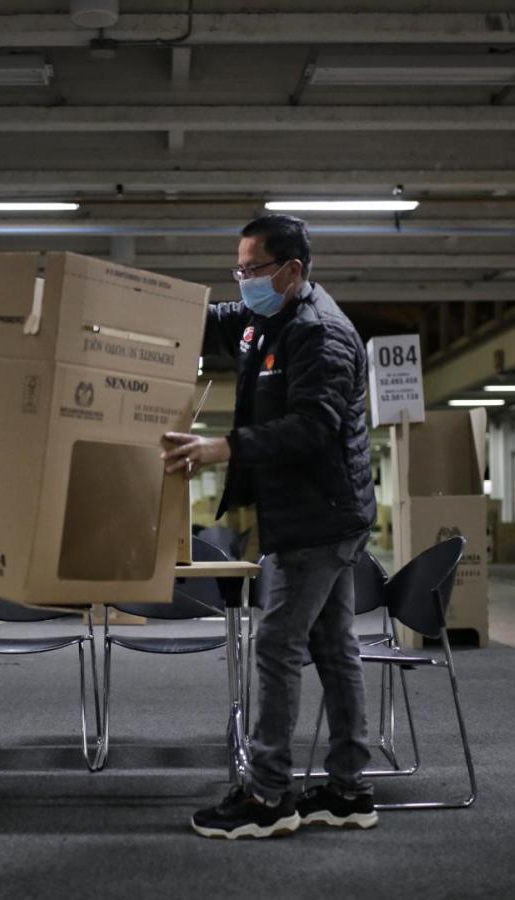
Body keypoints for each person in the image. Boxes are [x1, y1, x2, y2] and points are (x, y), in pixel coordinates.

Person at [161, 214, 379, 839]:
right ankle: (348, 790)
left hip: (321, 518)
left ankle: (268, 796)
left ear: (292, 271)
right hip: (309, 514)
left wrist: (218, 448)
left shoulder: (323, 334)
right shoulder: (267, 315)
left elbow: (313, 428)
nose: (243, 281)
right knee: (334, 649)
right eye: (240, 269)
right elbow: (213, 318)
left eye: (253, 270)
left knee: (277, 645)